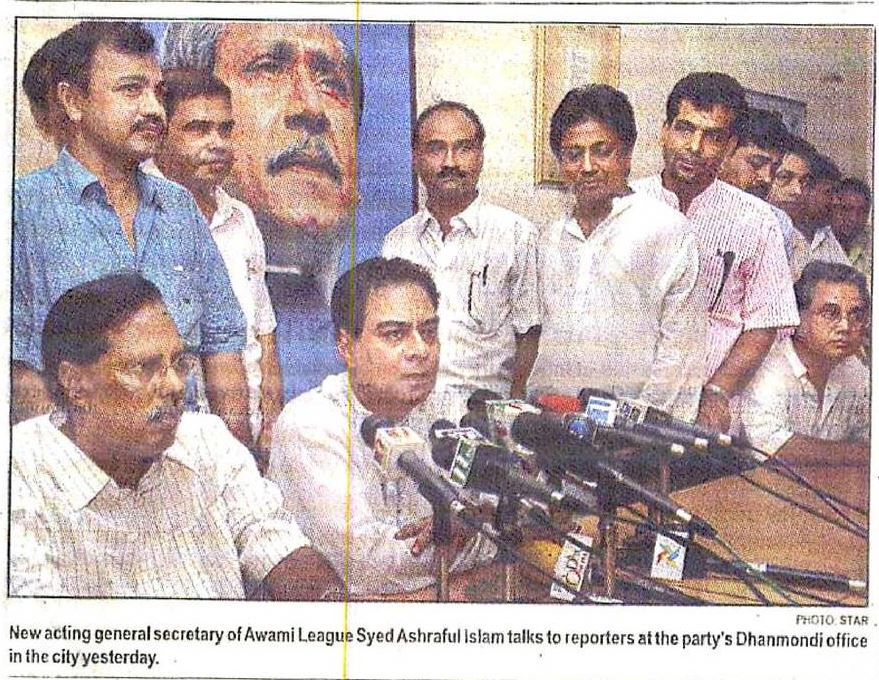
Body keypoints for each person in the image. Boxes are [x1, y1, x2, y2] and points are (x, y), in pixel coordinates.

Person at [10, 273, 342, 599]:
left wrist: (334, 611)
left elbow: (279, 545)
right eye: (143, 367)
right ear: (76, 384)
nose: (174, 385)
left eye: (179, 363)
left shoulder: (206, 441)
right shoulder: (20, 474)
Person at [14, 21, 251, 445]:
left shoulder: (179, 206)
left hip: (184, 458)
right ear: (73, 101)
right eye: (131, 90)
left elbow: (222, 344)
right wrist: (70, 468)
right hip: (73, 469)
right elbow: (20, 369)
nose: (154, 109)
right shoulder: (24, 209)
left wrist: (234, 459)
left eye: (157, 93)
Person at [269, 258, 494, 596]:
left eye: (428, 332)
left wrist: (476, 528)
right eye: (394, 334)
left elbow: (515, 521)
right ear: (346, 347)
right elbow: (366, 568)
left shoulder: (453, 411)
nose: (419, 350)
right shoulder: (310, 425)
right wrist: (475, 547)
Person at [162, 21, 361, 398]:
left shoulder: (242, 226)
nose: (312, 108)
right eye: (268, 68)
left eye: (331, 83)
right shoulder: (141, 227)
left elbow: (264, 344)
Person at [632, 72, 798, 433]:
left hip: (709, 414)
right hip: (627, 399)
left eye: (713, 136)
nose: (695, 146)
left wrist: (718, 392)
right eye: (685, 129)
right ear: (664, 131)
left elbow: (765, 322)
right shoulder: (627, 204)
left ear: (729, 145)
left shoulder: (757, 220)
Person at [527, 85, 705, 419]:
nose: (587, 166)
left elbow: (680, 351)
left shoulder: (665, 229)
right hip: (552, 422)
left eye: (602, 151)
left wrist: (640, 429)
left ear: (627, 153)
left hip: (629, 432)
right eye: (573, 155)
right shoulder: (550, 237)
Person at [151, 69, 282, 459]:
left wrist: (270, 424)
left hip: (246, 441)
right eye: (198, 129)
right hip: (174, 443)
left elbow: (264, 332)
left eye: (226, 130)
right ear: (160, 136)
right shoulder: (138, 216)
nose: (218, 144)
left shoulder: (241, 218)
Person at [382, 101, 541, 421]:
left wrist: (512, 414)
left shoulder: (515, 234)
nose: (450, 162)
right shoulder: (396, 243)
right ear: (415, 157)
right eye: (436, 149)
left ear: (480, 156)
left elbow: (530, 333)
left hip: (485, 416)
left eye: (464, 148)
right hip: (410, 414)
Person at [740, 261, 869, 465]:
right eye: (830, 313)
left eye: (856, 315)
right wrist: (856, 453)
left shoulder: (855, 370)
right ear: (799, 317)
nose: (845, 326)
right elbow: (770, 448)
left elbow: (869, 436)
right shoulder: (770, 369)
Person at [717, 107, 802, 264]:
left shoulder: (778, 224)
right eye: (756, 163)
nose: (767, 178)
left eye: (775, 168)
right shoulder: (691, 203)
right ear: (725, 155)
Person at [769, 137, 849, 279]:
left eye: (803, 182)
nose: (798, 190)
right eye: (784, 177)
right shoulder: (756, 228)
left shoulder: (803, 237)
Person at [831, 177, 872, 282]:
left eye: (862, 211)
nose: (853, 218)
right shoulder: (817, 243)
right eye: (846, 208)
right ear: (833, 208)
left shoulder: (871, 242)